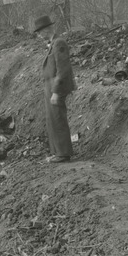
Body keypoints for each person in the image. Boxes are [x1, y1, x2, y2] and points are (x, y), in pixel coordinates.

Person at [34, 15, 76, 163]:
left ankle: (63, 153)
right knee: (52, 119)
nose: (39, 36)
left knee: (58, 119)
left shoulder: (59, 43)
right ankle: (57, 152)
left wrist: (56, 92)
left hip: (56, 87)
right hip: (50, 86)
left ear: (45, 30)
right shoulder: (53, 44)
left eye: (39, 32)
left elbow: (63, 70)